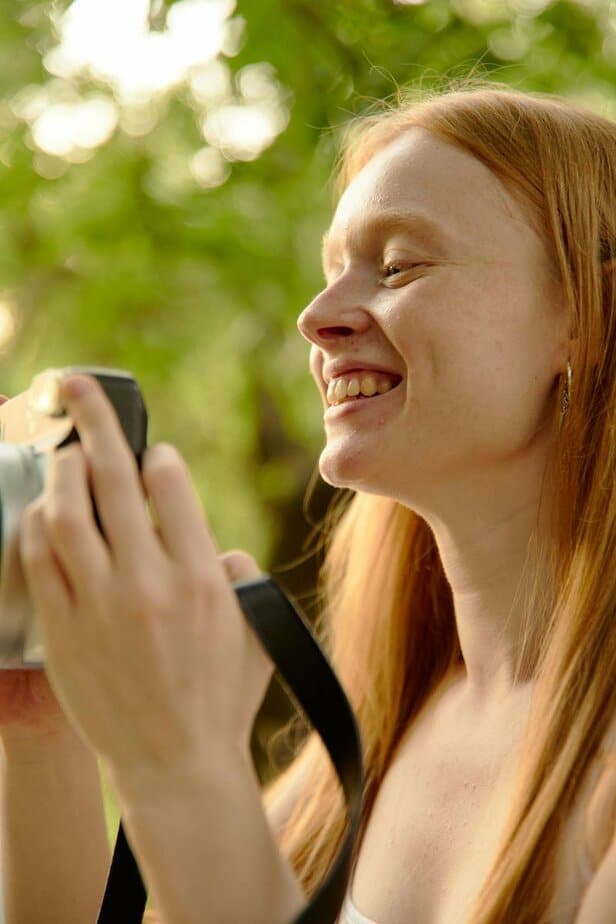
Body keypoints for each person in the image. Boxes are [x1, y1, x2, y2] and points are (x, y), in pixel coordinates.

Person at [0, 78, 614, 924]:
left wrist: (182, 764)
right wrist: (42, 729)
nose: (315, 318)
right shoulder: (365, 749)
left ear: (585, 313)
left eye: (398, 265)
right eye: (332, 272)